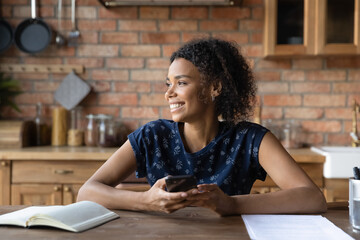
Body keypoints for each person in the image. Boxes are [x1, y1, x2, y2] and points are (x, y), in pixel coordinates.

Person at [77, 37, 327, 216]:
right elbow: (86, 192)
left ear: (214, 88)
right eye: (168, 84)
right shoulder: (152, 135)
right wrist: (145, 201)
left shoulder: (251, 138)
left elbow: (312, 198)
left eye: (181, 83)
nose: (169, 94)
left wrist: (232, 205)